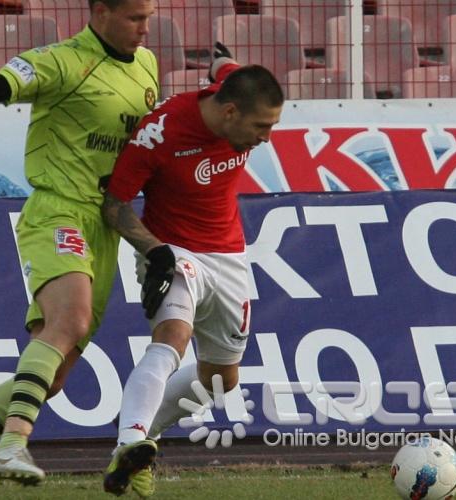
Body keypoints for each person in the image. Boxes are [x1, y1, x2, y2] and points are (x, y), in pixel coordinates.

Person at [0, 0, 158, 498]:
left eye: (148, 17)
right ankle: (12, 445)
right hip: (58, 210)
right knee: (70, 322)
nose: (145, 29)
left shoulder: (146, 65)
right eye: (134, 18)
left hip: (105, 225)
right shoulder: (59, 61)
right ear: (101, 11)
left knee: (50, 379)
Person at [100, 56, 284, 497]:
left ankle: (141, 437)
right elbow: (114, 206)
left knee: (220, 379)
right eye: (261, 127)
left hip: (228, 253)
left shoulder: (233, 91)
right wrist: (156, 252)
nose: (266, 138)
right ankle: (130, 438)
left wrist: (220, 60)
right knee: (173, 337)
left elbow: (226, 69)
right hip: (173, 250)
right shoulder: (159, 134)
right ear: (230, 112)